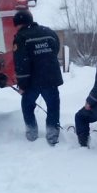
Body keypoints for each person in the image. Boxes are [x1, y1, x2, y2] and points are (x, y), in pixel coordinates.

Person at [12, 9, 63, 145]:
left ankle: (32, 133)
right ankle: (52, 134)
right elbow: (55, 49)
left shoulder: (21, 37)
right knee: (53, 105)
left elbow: (21, 63)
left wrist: (22, 85)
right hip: (51, 78)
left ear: (19, 24)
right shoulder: (49, 32)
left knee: (27, 105)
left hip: (32, 81)